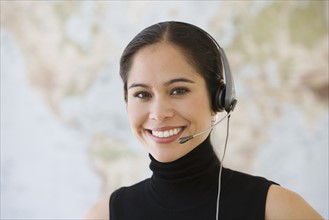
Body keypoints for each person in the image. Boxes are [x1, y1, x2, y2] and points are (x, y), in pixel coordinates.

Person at [86, 21, 323, 220]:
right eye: (142, 94)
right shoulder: (105, 215)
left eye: (178, 91)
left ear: (219, 99)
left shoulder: (277, 209)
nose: (158, 113)